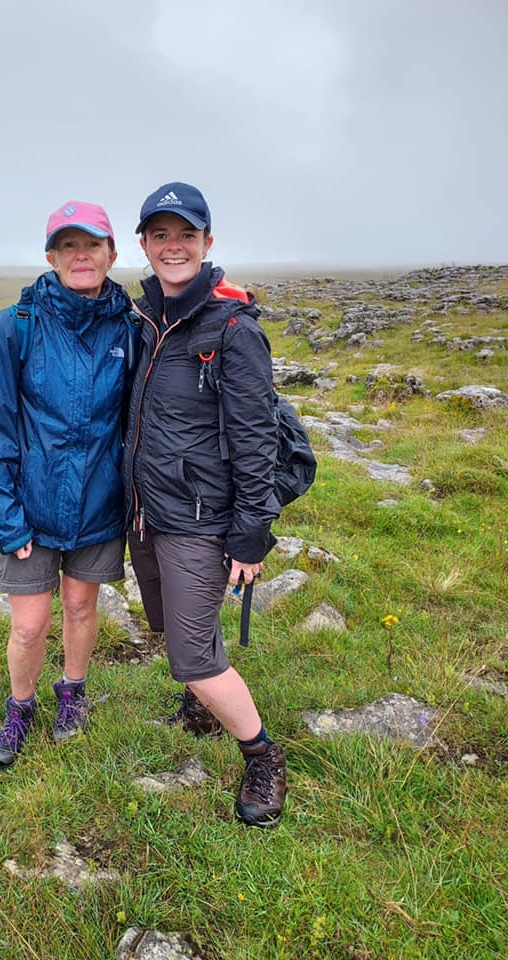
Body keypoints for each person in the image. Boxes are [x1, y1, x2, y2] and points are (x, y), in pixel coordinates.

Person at [123, 182, 287, 827]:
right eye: (160, 235)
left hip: (199, 517)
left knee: (191, 652)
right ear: (144, 244)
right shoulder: (145, 319)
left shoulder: (232, 330)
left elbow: (255, 439)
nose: (173, 246)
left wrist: (251, 534)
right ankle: (200, 708)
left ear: (207, 243)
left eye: (185, 235)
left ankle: (263, 758)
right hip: (148, 509)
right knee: (170, 622)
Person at [0, 200, 137, 768]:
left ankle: (73, 694)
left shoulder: (132, 327)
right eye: (69, 245)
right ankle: (21, 708)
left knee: (81, 606)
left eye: (92, 244)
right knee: (29, 625)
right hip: (29, 507)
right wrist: (4, 516)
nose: (81, 255)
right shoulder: (16, 325)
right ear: (51, 257)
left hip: (98, 502)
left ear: (112, 254)